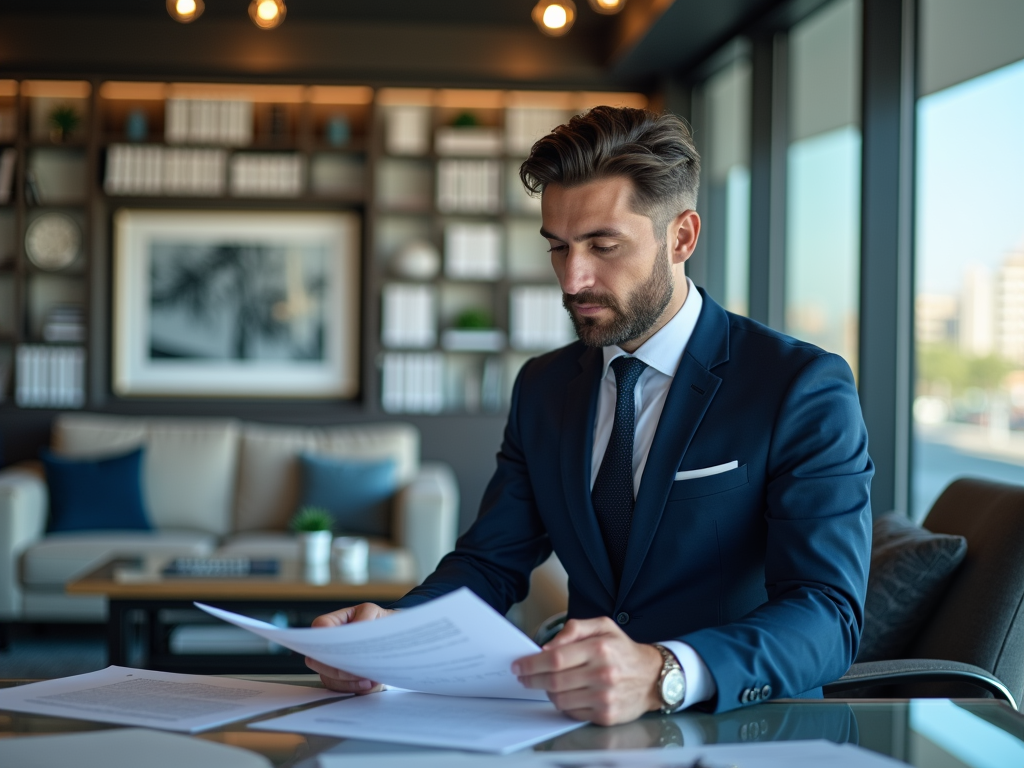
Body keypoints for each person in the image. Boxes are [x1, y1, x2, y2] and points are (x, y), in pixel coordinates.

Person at [306, 106, 873, 725]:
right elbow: (491, 561)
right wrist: (393, 633)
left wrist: (665, 672)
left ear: (681, 237)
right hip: (578, 731)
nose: (573, 279)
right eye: (558, 248)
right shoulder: (544, 386)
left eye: (604, 246)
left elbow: (827, 614)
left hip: (746, 731)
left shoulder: (799, 386)